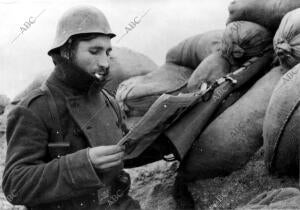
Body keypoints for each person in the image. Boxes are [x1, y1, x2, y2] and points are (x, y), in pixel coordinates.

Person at [2, 5, 141, 210]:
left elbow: (124, 153)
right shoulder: (35, 108)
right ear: (66, 52)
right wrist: (85, 164)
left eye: (108, 52)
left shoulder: (108, 100)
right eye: (94, 51)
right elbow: (16, 183)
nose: (104, 62)